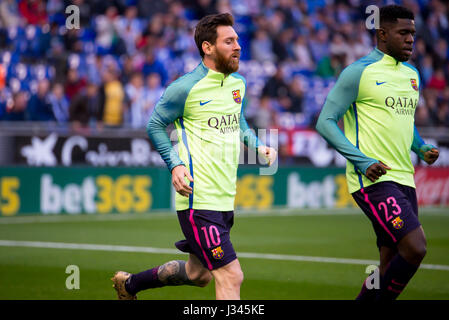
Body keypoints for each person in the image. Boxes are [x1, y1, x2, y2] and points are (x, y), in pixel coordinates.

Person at [111, 13, 277, 300]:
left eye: (237, 40)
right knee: (231, 276)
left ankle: (130, 285)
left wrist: (258, 145)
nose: (238, 46)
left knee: (198, 275)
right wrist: (174, 165)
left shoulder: (237, 85)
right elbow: (154, 124)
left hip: (225, 198)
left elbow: (239, 122)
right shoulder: (185, 87)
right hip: (197, 199)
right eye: (229, 41)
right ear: (207, 47)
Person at [315, 5, 439, 301]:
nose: (411, 39)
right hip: (372, 179)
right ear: (382, 34)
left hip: (405, 179)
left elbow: (404, 123)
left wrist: (420, 146)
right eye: (404, 33)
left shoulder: (412, 74)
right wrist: (362, 160)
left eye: (413, 33)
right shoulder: (358, 72)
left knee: (388, 262)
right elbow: (325, 122)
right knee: (415, 247)